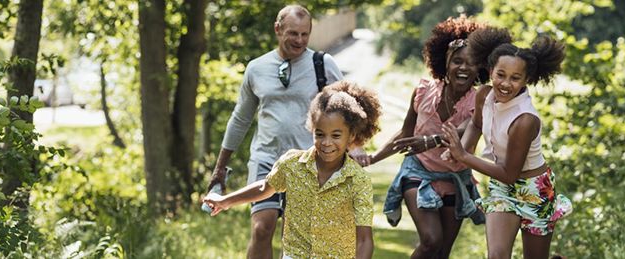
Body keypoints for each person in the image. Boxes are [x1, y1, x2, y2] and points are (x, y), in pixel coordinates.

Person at [360, 17, 508, 259]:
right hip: (418, 171)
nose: (463, 68)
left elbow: (467, 130)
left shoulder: (480, 101)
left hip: (455, 178)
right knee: (431, 240)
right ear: (444, 63)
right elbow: (407, 133)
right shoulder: (423, 91)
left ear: (480, 68)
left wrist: (431, 140)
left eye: (471, 63)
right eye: (457, 61)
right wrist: (374, 157)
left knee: (442, 253)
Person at [206, 5, 348, 259]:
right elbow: (240, 119)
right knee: (262, 229)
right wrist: (220, 168)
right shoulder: (256, 68)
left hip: (309, 162)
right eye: (293, 34)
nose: (300, 40)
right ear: (277, 29)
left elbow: (346, 112)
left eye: (305, 34)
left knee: (296, 238)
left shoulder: (322, 65)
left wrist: (352, 151)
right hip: (266, 158)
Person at [204, 81, 381, 259]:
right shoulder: (292, 163)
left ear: (351, 135)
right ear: (312, 130)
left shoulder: (358, 180)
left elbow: (364, 240)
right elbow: (264, 188)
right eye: (319, 134)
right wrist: (225, 201)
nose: (327, 142)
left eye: (336, 135)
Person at [437, 29, 573, 259]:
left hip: (535, 190)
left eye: (515, 78)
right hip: (502, 189)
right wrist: (464, 147)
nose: (505, 84)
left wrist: (463, 156)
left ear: (526, 80)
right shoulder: (484, 95)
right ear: (490, 71)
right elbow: (477, 124)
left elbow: (510, 173)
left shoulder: (525, 120)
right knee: (497, 256)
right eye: (500, 74)